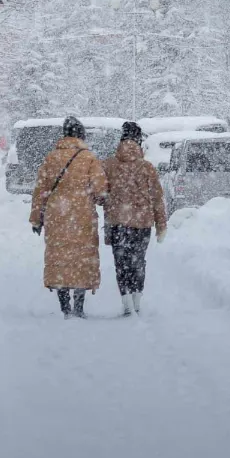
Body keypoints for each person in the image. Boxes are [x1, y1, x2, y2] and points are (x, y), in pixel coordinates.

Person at [30, 116, 108, 319]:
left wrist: (36, 218)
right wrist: (99, 199)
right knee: (82, 258)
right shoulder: (89, 158)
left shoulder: (51, 158)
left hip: (57, 215)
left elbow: (41, 190)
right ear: (81, 134)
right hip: (83, 216)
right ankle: (79, 306)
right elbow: (100, 190)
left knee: (60, 258)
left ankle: (64, 306)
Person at [103, 120, 168, 316]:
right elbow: (157, 197)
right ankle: (137, 300)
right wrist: (161, 224)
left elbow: (100, 194)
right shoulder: (147, 167)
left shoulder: (109, 165)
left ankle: (126, 301)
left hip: (117, 223)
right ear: (139, 141)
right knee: (138, 261)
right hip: (142, 223)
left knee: (121, 263)